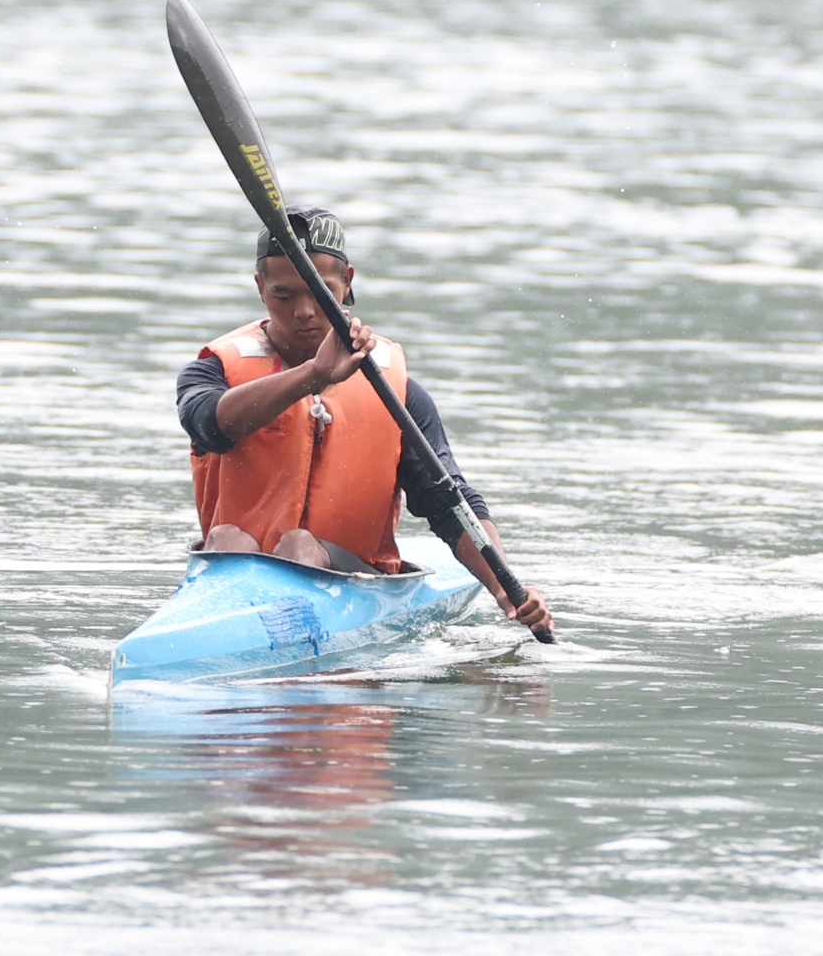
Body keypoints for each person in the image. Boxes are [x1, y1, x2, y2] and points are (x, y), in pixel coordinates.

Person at [176, 206, 556, 635]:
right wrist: (313, 375)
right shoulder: (214, 370)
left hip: (352, 579)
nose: (304, 311)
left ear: (347, 283)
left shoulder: (398, 392)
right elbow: (209, 425)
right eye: (284, 296)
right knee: (227, 538)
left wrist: (506, 589)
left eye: (320, 292)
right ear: (260, 287)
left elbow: (449, 502)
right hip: (234, 575)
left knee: (299, 545)